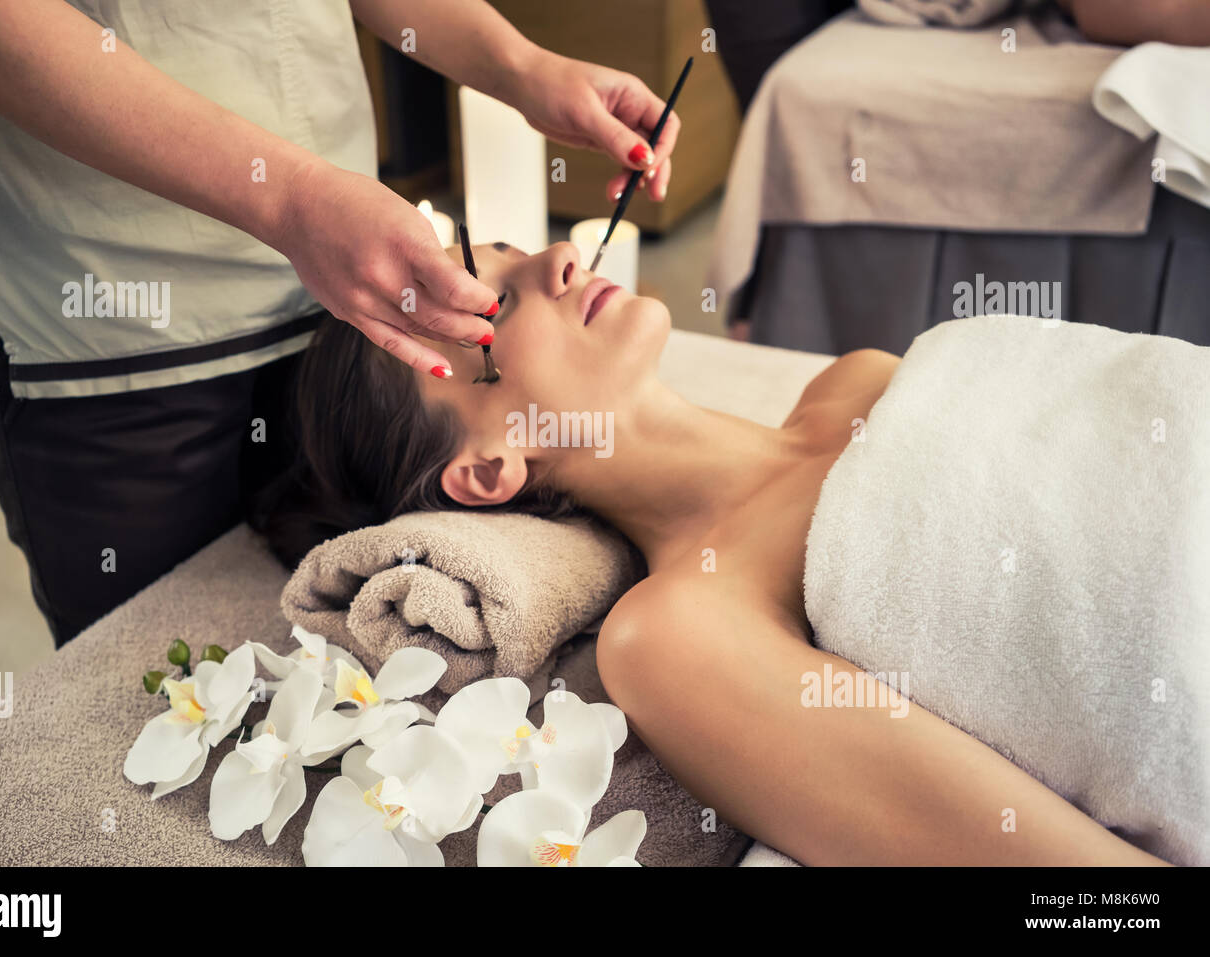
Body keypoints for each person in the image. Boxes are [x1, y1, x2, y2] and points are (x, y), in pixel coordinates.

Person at [260, 239, 1174, 866]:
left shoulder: (857, 377)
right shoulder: (676, 635)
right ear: (490, 470)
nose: (561, 256)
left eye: (511, 244)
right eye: (489, 298)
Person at [0, 0, 680, 646]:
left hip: (340, 263)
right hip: (113, 312)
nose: (559, 257)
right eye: (496, 293)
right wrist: (286, 198)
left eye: (494, 286)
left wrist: (520, 65)